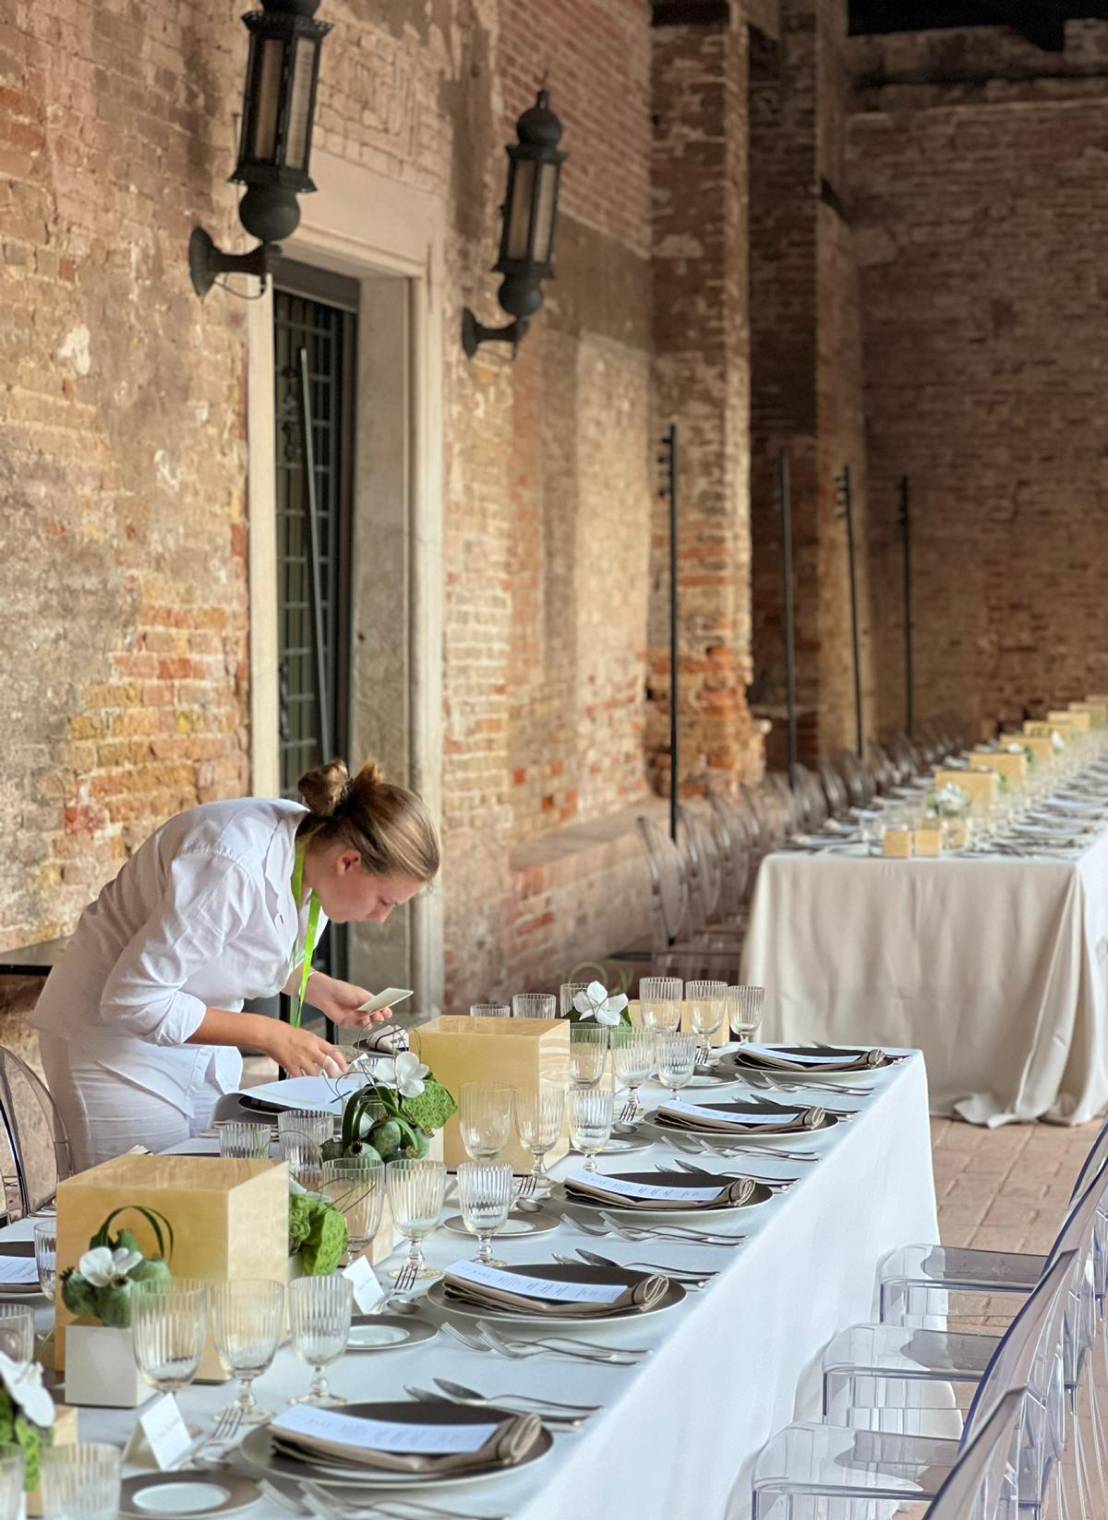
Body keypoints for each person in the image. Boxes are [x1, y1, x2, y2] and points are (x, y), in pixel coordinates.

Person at [33, 759, 439, 1169]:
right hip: (113, 1052)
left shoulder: (311, 851)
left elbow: (237, 945)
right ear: (349, 862)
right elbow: (131, 999)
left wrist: (314, 986)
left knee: (211, 1200)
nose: (382, 918)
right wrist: (270, 1034)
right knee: (135, 1214)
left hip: (197, 1052)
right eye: (386, 901)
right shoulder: (230, 865)